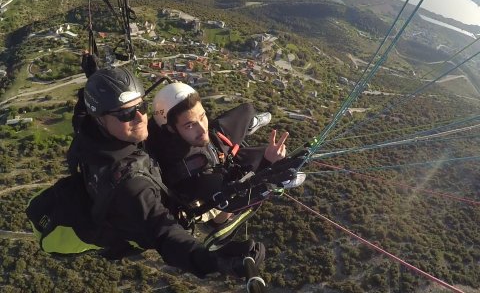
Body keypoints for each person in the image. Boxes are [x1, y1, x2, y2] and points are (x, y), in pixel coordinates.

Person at [66, 67, 265, 278]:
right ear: (100, 119)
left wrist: (95, 78)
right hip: (152, 213)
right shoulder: (131, 185)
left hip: (147, 166)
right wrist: (214, 261)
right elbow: (165, 234)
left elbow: (82, 113)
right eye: (126, 114)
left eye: (141, 106)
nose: (140, 117)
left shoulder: (89, 131)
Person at [145, 82, 306, 225]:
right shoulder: (193, 172)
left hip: (214, 145)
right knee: (269, 154)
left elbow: (200, 129)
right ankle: (279, 177)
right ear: (171, 129)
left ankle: (248, 125)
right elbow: (231, 204)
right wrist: (268, 165)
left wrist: (195, 128)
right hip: (223, 169)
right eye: (190, 125)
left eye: (202, 116)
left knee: (247, 109)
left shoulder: (165, 128)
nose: (202, 128)